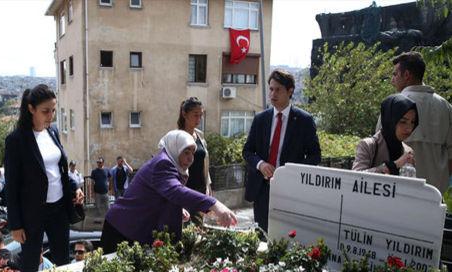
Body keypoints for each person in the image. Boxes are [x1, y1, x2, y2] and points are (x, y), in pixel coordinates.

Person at [101, 130, 237, 253]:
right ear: (175, 148)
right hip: (121, 229)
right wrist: (214, 204)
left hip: (133, 230)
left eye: (192, 153)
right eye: (186, 152)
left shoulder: (170, 163)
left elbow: (164, 193)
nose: (191, 159)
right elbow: (176, 191)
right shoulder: (163, 163)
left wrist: (177, 208)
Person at [4, 84, 84, 272]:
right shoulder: (16, 140)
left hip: (59, 209)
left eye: (53, 110)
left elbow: (58, 169)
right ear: (31, 109)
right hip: (32, 213)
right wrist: (15, 225)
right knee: (31, 263)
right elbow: (11, 185)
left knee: (63, 261)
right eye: (45, 111)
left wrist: (75, 187)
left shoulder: (53, 132)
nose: (51, 116)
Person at [242, 69, 321, 232]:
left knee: (284, 236)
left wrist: (289, 172)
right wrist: (260, 164)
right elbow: (248, 151)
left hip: (289, 190)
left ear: (290, 91)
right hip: (262, 189)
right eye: (271, 89)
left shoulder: (304, 121)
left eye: (278, 89)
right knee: (261, 236)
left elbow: (315, 156)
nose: (273, 94)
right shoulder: (261, 119)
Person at [389, 51, 452, 194]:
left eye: (395, 74)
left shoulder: (393, 104)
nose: (392, 80)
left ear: (406, 75)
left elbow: (380, 148)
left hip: (400, 190)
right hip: (436, 193)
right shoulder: (445, 106)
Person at [169, 96, 212, 226]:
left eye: (201, 115)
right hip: (183, 191)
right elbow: (170, 168)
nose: (199, 119)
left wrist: (208, 187)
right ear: (184, 114)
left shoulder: (200, 136)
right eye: (195, 115)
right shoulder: (176, 138)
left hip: (200, 191)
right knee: (183, 231)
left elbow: (204, 163)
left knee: (198, 231)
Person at [353, 94, 418, 174]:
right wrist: (393, 165)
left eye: (412, 122)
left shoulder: (407, 151)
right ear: (390, 121)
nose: (409, 128)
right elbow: (356, 177)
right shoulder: (368, 145)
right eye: (403, 122)